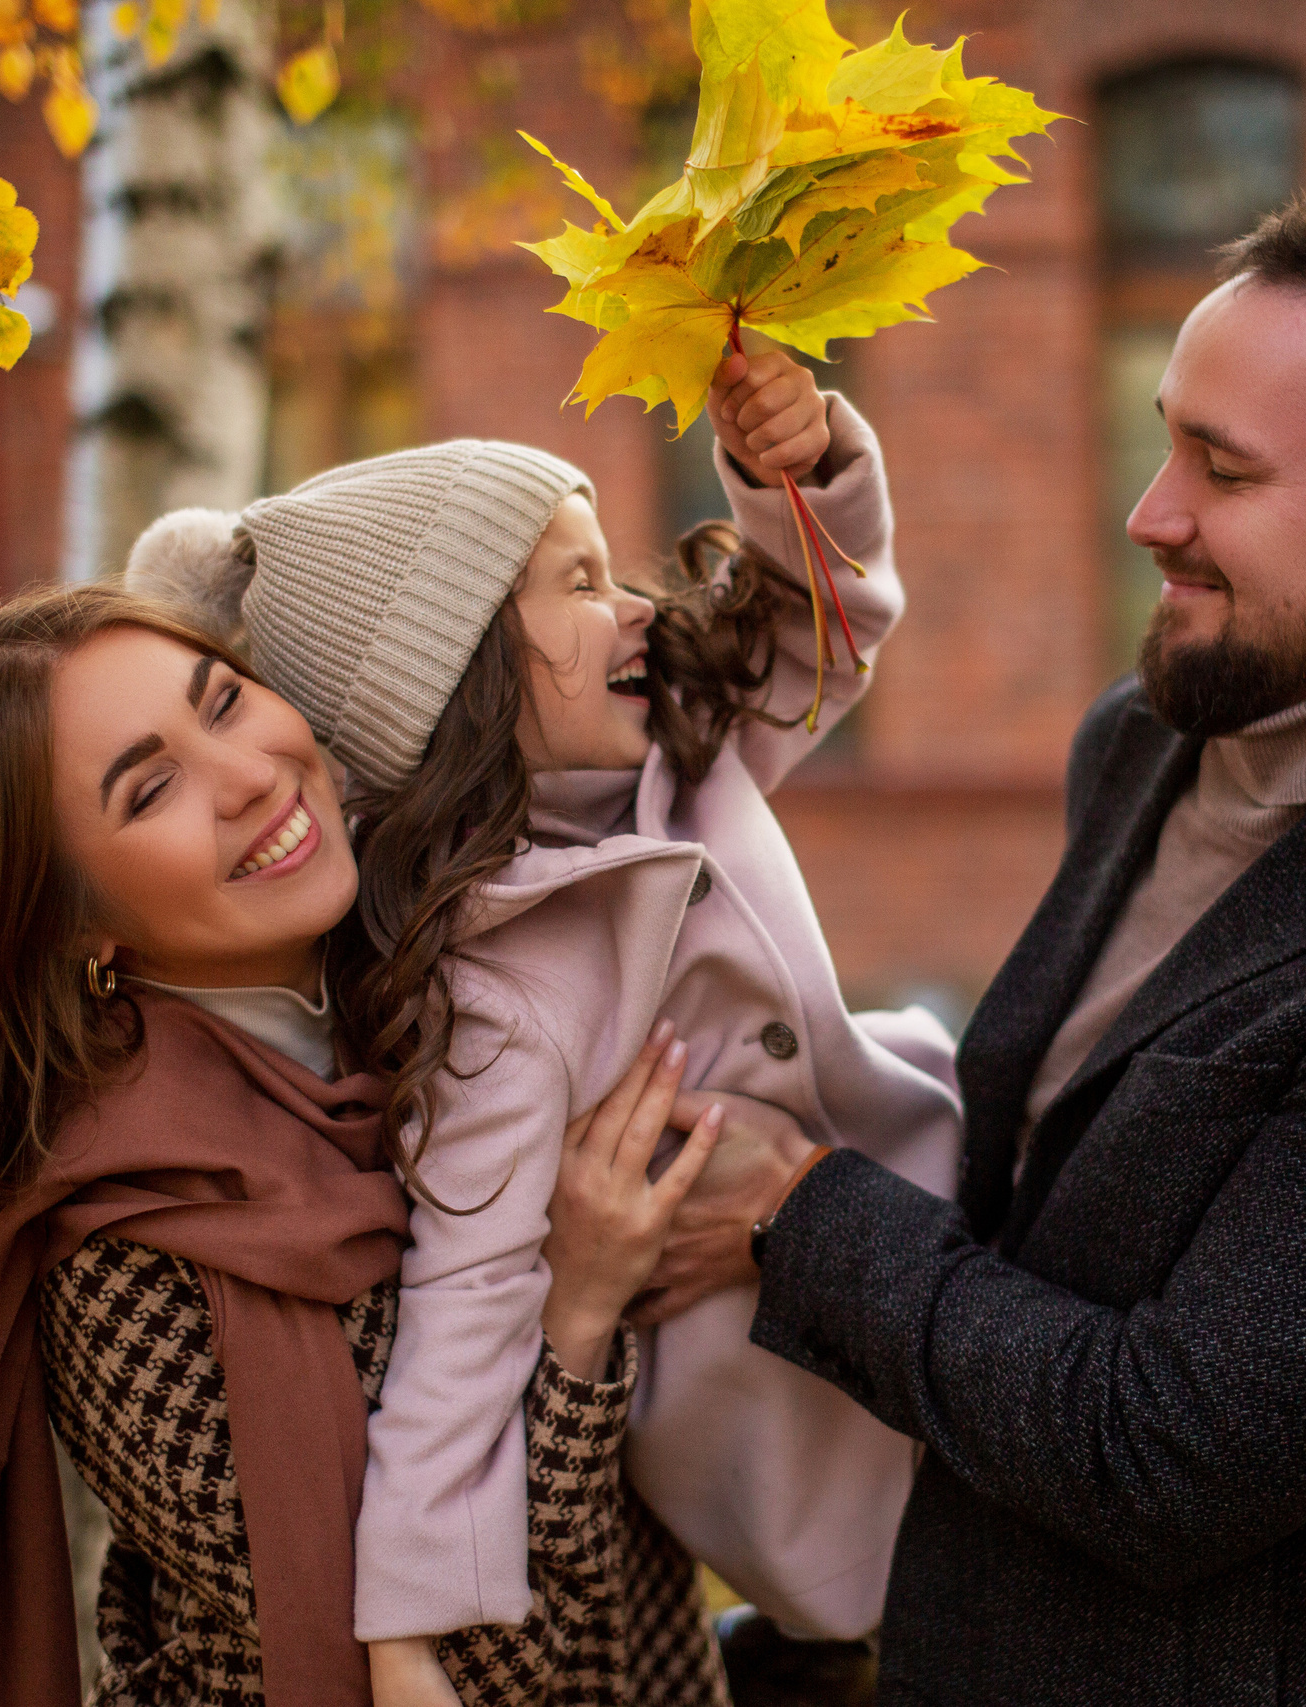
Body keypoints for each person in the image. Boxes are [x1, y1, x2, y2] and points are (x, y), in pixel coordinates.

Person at [643, 186, 1306, 1705]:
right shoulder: (1145, 741)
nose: (1151, 513)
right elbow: (1028, 1220)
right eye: (1167, 439)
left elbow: (1162, 1453)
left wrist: (794, 1206)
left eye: (1225, 467)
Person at [126, 349, 962, 1705]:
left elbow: (829, 635)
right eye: (576, 584)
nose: (632, 608)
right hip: (801, 1412)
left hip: (930, 1199)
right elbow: (466, 1311)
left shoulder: (675, 746)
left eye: (610, 569)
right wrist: (405, 1635)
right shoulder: (494, 996)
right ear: (453, 674)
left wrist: (796, 470)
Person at [0, 585, 723, 1707]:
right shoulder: (119, 1250)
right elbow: (462, 1673)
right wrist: (578, 1306)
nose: (250, 776)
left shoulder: (459, 986)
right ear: (71, 922)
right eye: (152, 789)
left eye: (225, 701)